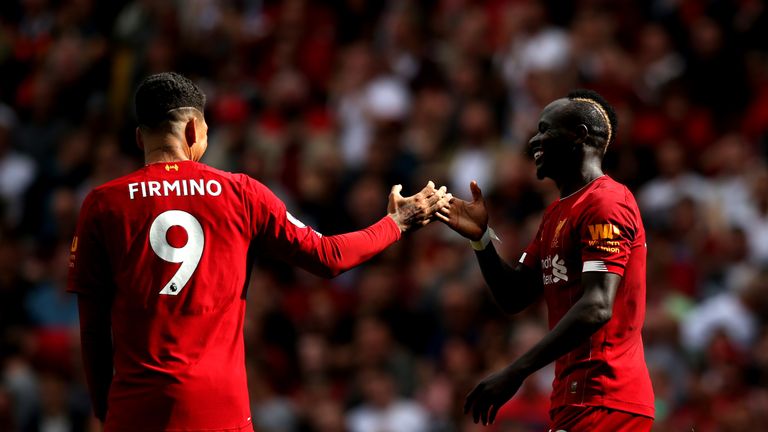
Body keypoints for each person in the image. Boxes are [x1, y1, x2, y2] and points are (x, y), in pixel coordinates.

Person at [66, 72, 450, 432]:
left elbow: (93, 330)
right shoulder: (240, 194)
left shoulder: (103, 205)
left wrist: (105, 410)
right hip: (219, 406)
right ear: (192, 129)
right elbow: (329, 257)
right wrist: (396, 224)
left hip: (137, 408)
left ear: (139, 138)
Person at [438, 89, 654, 431]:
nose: (534, 140)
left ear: (580, 136)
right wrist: (480, 239)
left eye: (545, 129)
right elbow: (514, 296)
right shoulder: (556, 213)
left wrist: (516, 371)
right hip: (574, 396)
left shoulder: (607, 202)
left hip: (605, 394)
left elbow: (598, 305)